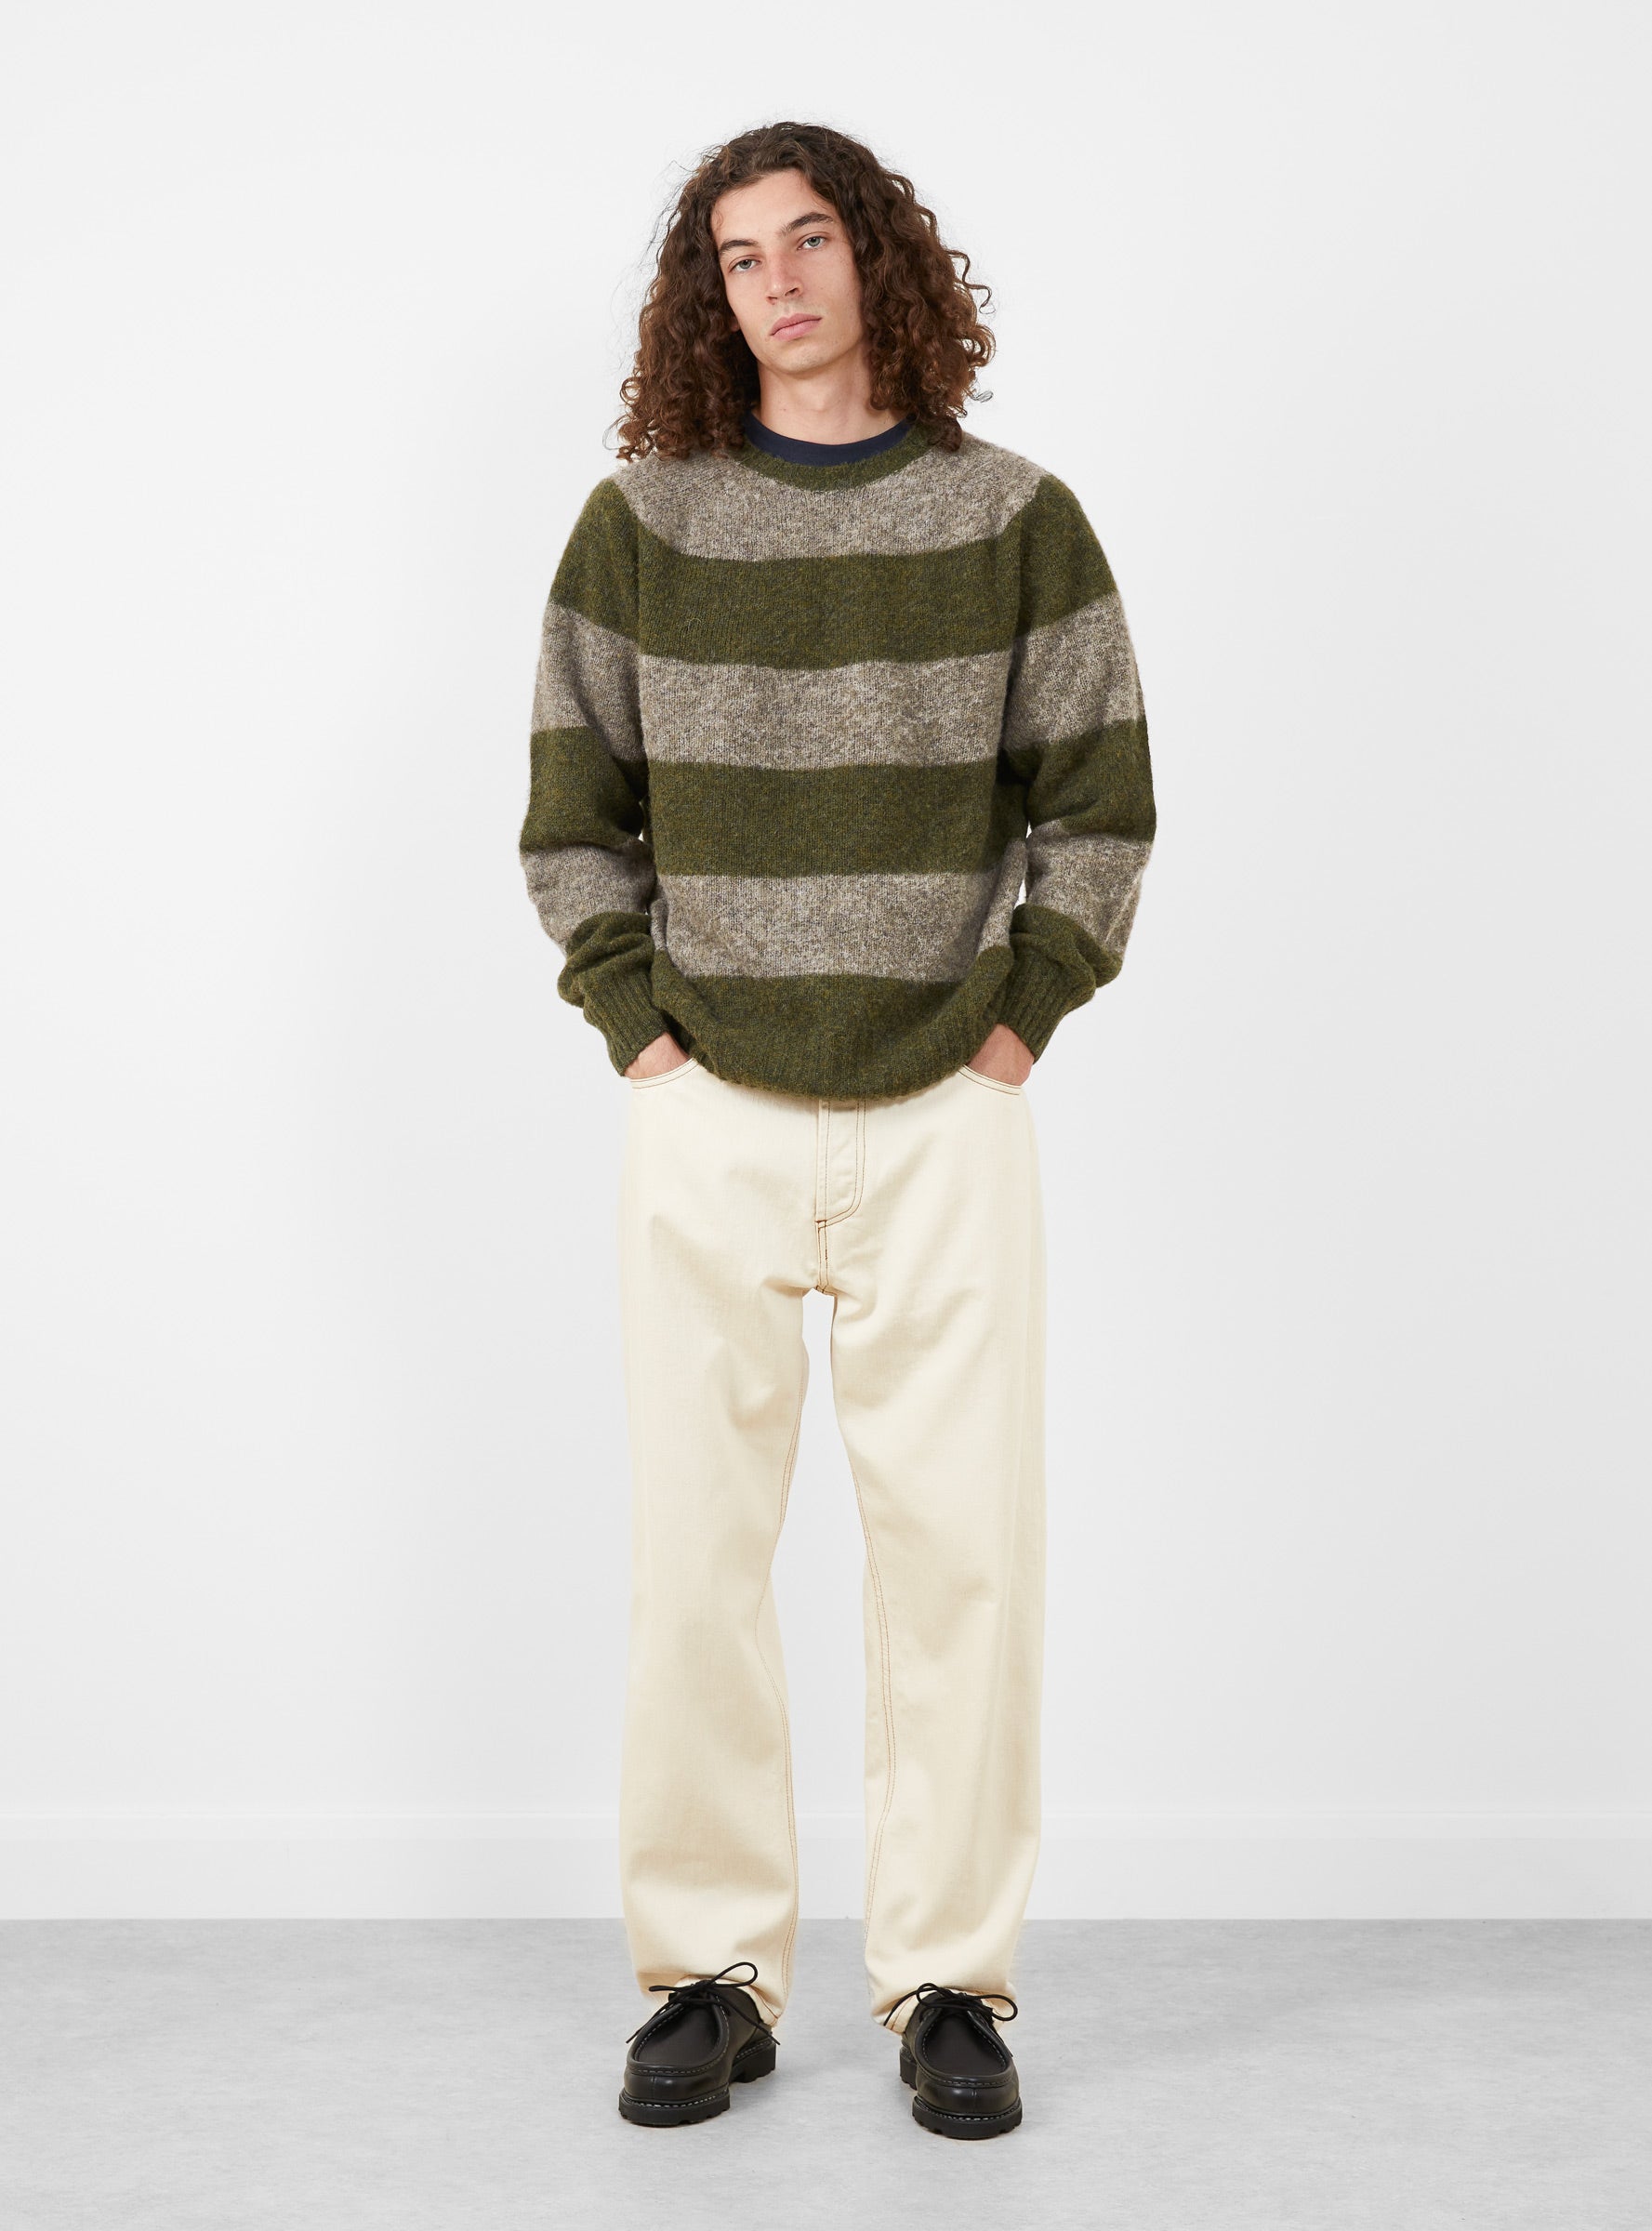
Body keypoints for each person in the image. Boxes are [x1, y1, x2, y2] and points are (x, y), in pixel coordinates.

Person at [518, 119, 1155, 2139]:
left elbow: (1099, 805)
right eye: (736, 256)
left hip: (948, 1108)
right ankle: (707, 1974)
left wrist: (1016, 1023)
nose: (776, 281)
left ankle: (950, 1982)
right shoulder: (643, 523)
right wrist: (639, 1032)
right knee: (694, 1559)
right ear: (705, 298)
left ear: (878, 258)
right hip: (704, 1104)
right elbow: (571, 812)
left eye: (808, 239)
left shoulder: (1012, 517)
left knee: (962, 1559)